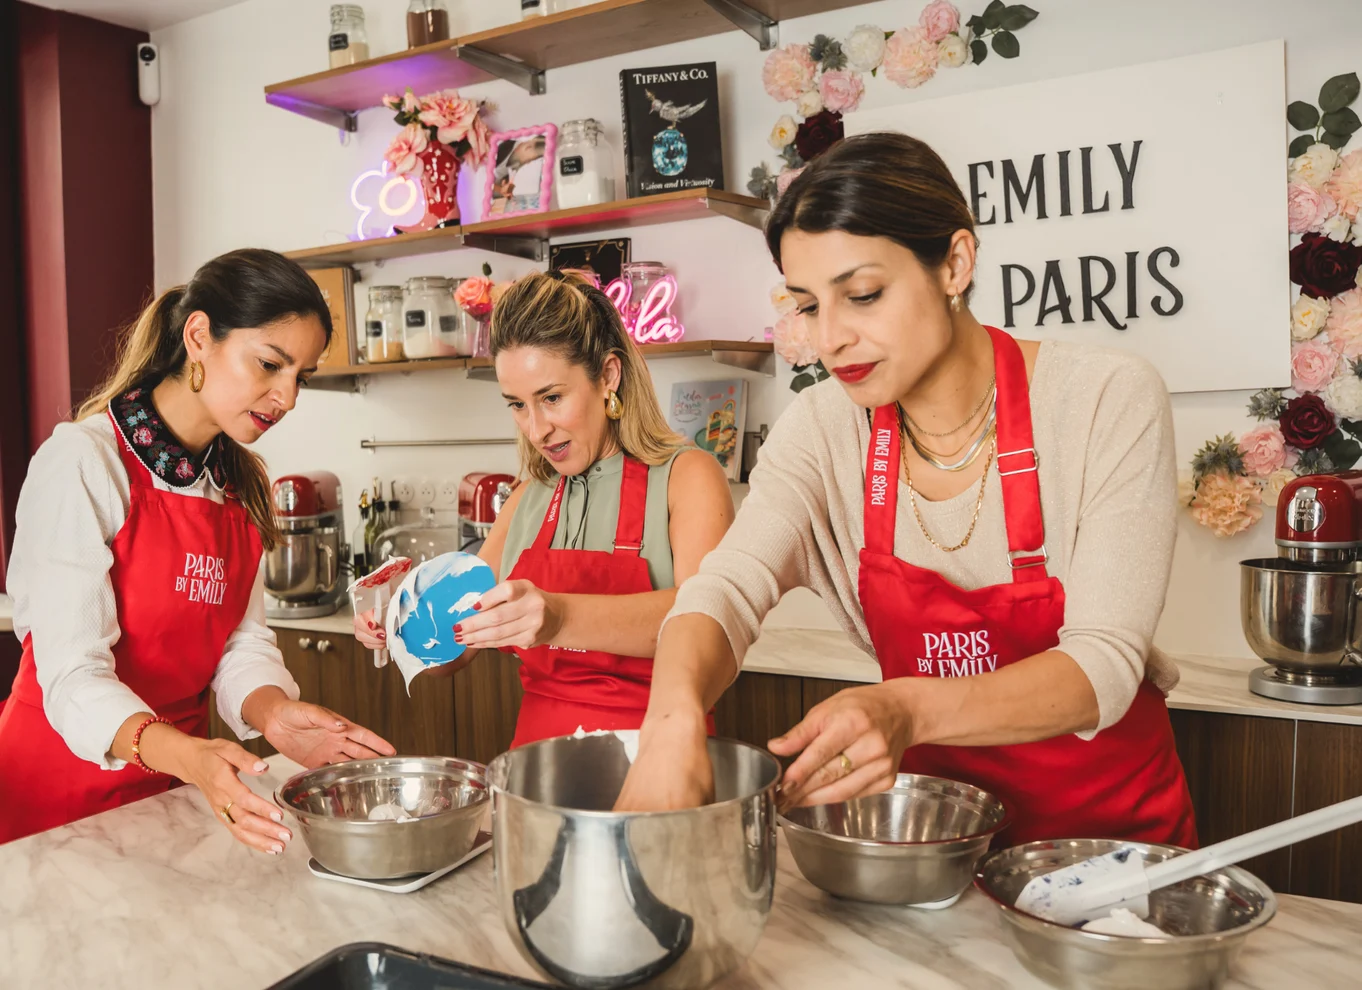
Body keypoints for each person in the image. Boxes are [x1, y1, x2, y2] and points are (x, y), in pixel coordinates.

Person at [615, 133, 1197, 847]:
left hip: (1112, 852)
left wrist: (906, 710)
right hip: (937, 848)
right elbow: (726, 590)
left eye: (862, 295)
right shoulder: (823, 429)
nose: (830, 339)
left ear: (955, 264)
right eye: (808, 306)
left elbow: (1103, 663)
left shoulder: (1105, 396)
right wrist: (671, 722)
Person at [0, 249, 394, 849]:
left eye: (302, 377)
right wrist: (188, 756)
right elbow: (73, 676)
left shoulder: (239, 486)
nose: (287, 397)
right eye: (270, 364)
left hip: (180, 786)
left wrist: (273, 714)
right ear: (199, 336)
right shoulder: (83, 461)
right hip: (56, 796)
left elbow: (240, 645)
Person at [355, 270, 733, 747]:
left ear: (608, 376)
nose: (536, 430)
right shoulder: (526, 498)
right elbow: (456, 652)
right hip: (539, 763)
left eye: (551, 398)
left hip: (663, 755)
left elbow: (711, 627)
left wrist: (559, 617)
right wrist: (402, 621)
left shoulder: (688, 476)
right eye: (517, 405)